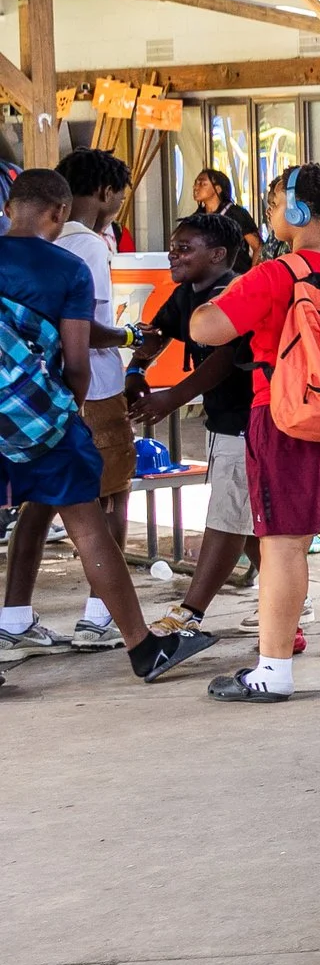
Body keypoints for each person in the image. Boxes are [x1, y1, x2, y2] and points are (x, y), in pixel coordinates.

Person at [188, 164, 320, 701]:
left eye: (276, 199)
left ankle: (274, 671)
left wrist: (221, 293)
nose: (270, 208)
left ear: (299, 210)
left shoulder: (273, 274)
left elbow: (207, 329)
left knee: (284, 542)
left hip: (287, 417)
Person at [0, 169, 214, 679]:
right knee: (90, 529)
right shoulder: (67, 269)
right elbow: (76, 361)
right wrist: (64, 408)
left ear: (10, 209)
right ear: (58, 213)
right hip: (42, 422)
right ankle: (143, 647)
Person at [131, 212, 256, 638]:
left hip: (249, 417)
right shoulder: (187, 292)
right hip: (223, 421)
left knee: (227, 517)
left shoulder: (238, 290)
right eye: (173, 245)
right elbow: (157, 332)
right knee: (245, 518)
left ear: (218, 255)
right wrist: (136, 369)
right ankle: (291, 596)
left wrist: (173, 397)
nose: (174, 254)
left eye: (185, 248)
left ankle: (191, 611)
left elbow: (225, 357)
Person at [51, 148, 143, 648]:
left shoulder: (43, 237)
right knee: (111, 498)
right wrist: (130, 337)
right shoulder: (87, 243)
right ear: (106, 192)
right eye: (120, 196)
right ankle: (98, 615)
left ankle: (15, 617)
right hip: (95, 386)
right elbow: (86, 327)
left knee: (44, 507)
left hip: (50, 389)